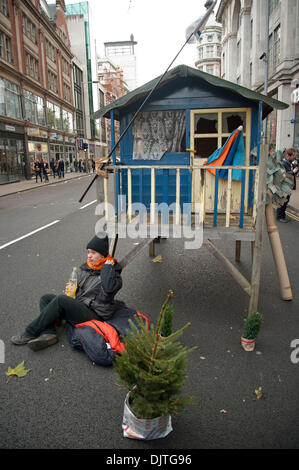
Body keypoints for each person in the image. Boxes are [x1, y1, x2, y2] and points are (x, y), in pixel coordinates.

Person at [11, 233, 123, 351]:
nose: (89, 256)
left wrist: (106, 268)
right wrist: (72, 291)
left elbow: (109, 289)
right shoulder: (87, 268)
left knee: (61, 300)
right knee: (46, 298)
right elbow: (77, 291)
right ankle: (48, 333)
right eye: (88, 252)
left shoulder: (112, 272)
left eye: (93, 253)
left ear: (103, 255)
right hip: (82, 306)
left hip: (96, 314)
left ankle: (30, 332)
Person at [276, 148, 299, 222]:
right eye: (293, 155)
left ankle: (283, 215)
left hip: (288, 185)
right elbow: (284, 174)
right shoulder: (283, 163)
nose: (294, 157)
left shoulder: (290, 162)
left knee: (286, 201)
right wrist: (293, 171)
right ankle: (279, 217)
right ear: (289, 155)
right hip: (284, 185)